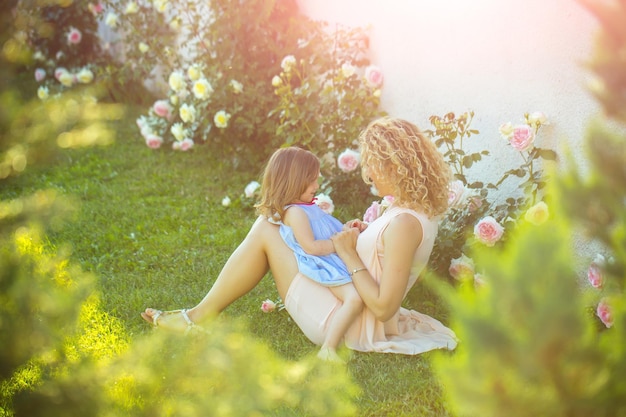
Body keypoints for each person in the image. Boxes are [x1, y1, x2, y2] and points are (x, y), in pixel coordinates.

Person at [142, 116, 458, 358]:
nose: (369, 174)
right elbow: (383, 256)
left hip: (349, 323)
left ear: (393, 165)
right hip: (349, 302)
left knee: (267, 228)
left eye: (373, 165)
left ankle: (195, 317)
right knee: (273, 227)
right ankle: (196, 315)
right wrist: (361, 234)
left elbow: (384, 308)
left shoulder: (405, 222)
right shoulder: (411, 211)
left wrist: (349, 253)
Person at [256, 147, 364, 362]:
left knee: (357, 296)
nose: (317, 186)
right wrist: (341, 245)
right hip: (323, 265)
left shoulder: (307, 207)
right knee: (354, 298)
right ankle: (329, 349)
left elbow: (326, 231)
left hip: (333, 259)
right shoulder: (295, 213)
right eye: (312, 181)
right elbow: (311, 247)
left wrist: (346, 228)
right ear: (293, 181)